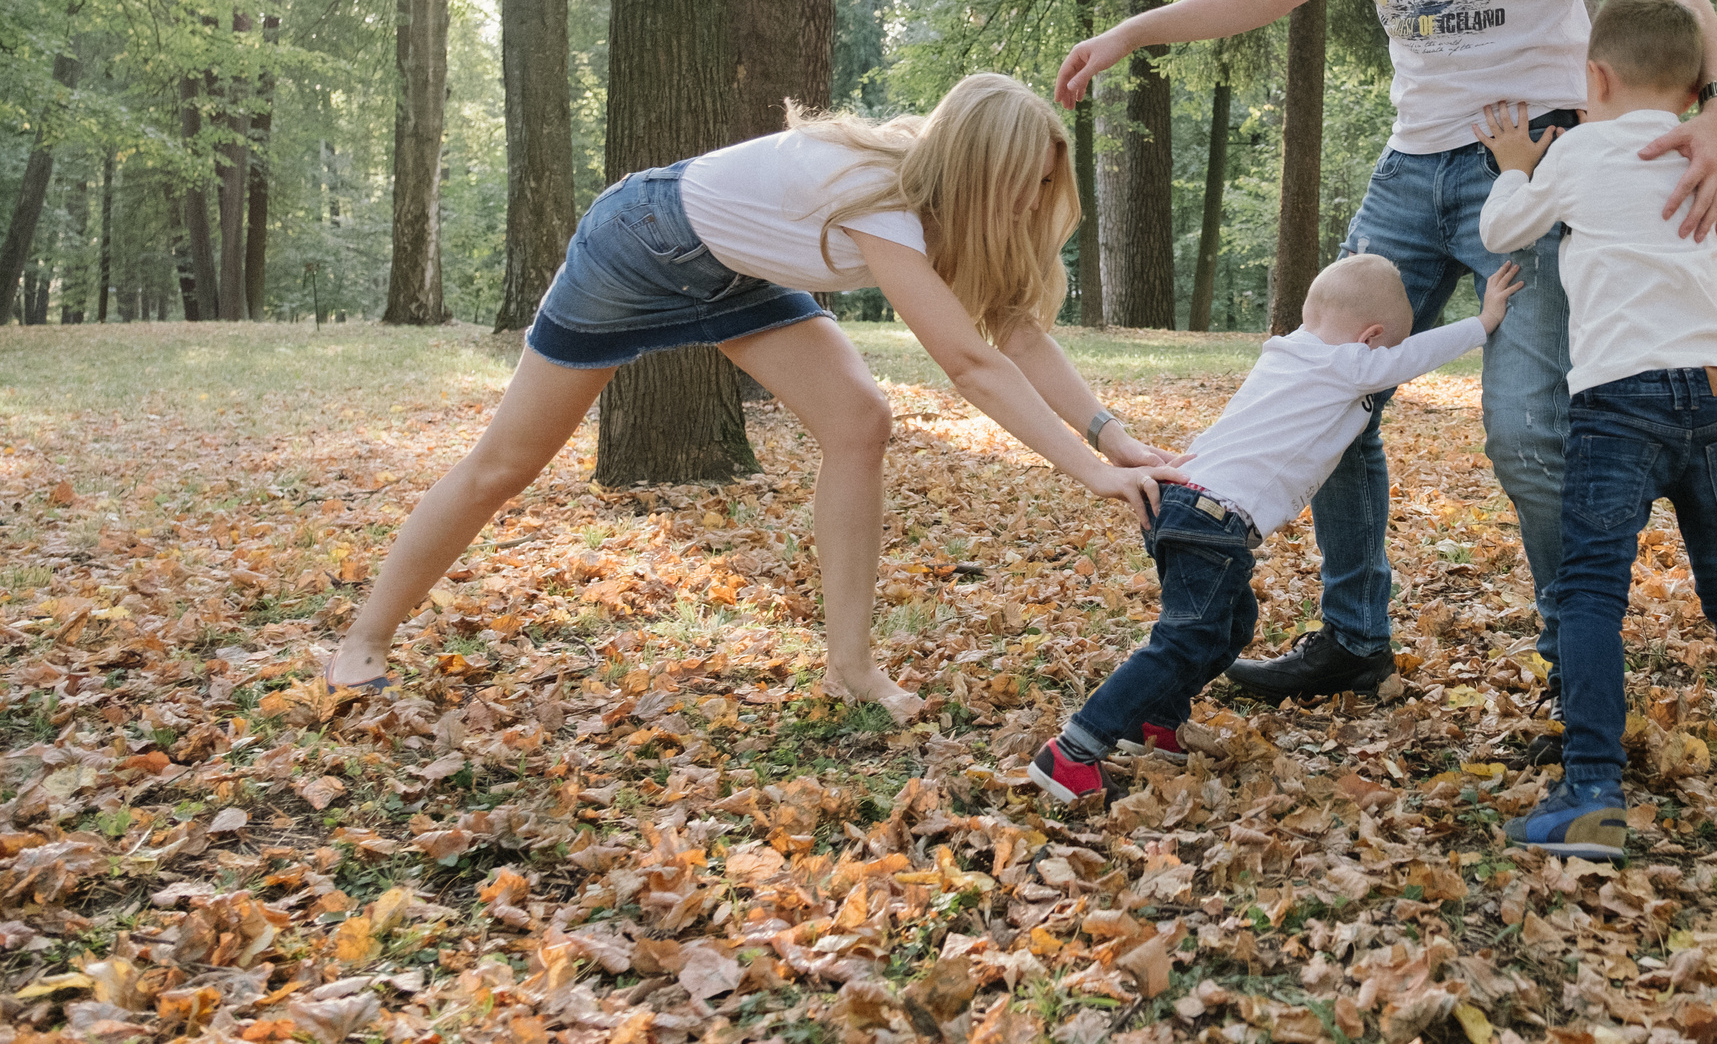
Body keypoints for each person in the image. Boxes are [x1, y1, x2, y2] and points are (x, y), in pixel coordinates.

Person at [1054, 0, 1717, 715]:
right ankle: (1351, 637)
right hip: (1405, 172)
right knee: (1325, 390)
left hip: (1525, 166)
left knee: (1525, 429)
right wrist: (1129, 31)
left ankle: (1577, 668)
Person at [322, 73, 1176, 724]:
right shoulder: (884, 197)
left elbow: (1017, 334)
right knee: (505, 463)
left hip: (737, 273)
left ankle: (850, 667)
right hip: (640, 246)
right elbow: (971, 364)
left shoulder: (930, 196)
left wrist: (1113, 436)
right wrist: (1089, 475)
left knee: (858, 421)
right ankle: (360, 641)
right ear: (981, 168)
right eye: (1026, 181)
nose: (1034, 202)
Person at [1475, 0, 1717, 859]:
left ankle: (1592, 789)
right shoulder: (1703, 160)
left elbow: (1503, 227)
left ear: (1595, 77)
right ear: (1698, 85)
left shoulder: (1585, 147)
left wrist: (1516, 161)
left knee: (1591, 589)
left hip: (1618, 399)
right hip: (1713, 392)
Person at [1030, 255, 1526, 802]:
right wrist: (1481, 323)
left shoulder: (1287, 353)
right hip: (1214, 521)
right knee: (1182, 639)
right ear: (1369, 339)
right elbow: (1411, 357)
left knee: (1231, 624)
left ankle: (1156, 721)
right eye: (1380, 351)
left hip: (1182, 506)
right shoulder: (1347, 363)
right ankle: (1074, 749)